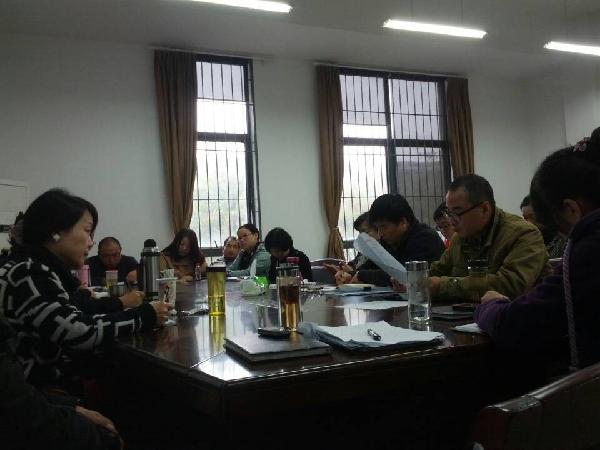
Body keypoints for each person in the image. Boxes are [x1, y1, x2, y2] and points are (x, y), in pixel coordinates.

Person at [0, 189, 170, 386]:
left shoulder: (30, 266)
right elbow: (79, 331)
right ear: (55, 231)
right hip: (36, 393)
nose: (91, 242)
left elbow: (72, 310)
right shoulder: (28, 272)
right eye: (88, 231)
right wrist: (145, 315)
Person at [475, 129, 600, 370]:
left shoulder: (590, 247)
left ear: (571, 210)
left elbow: (516, 326)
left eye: (559, 229)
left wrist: (489, 305)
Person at [0, 316, 122, 450]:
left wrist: (71, 406)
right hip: (44, 391)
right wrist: (101, 437)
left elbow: (15, 394)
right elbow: (24, 416)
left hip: (38, 394)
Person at [423, 174, 549, 302]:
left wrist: (443, 286)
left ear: (484, 209)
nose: (452, 221)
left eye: (457, 213)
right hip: (469, 313)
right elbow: (437, 271)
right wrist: (417, 279)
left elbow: (510, 285)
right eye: (449, 213)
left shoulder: (524, 234)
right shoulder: (459, 238)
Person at [349, 194, 445, 286]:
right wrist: (350, 274)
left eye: (384, 227)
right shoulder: (390, 240)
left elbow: (406, 276)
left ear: (403, 222)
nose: (380, 234)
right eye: (377, 228)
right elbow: (371, 265)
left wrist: (363, 276)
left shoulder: (426, 239)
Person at [520, 194, 566, 259]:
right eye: (525, 218)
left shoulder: (563, 241)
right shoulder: (525, 242)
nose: (528, 222)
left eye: (532, 217)